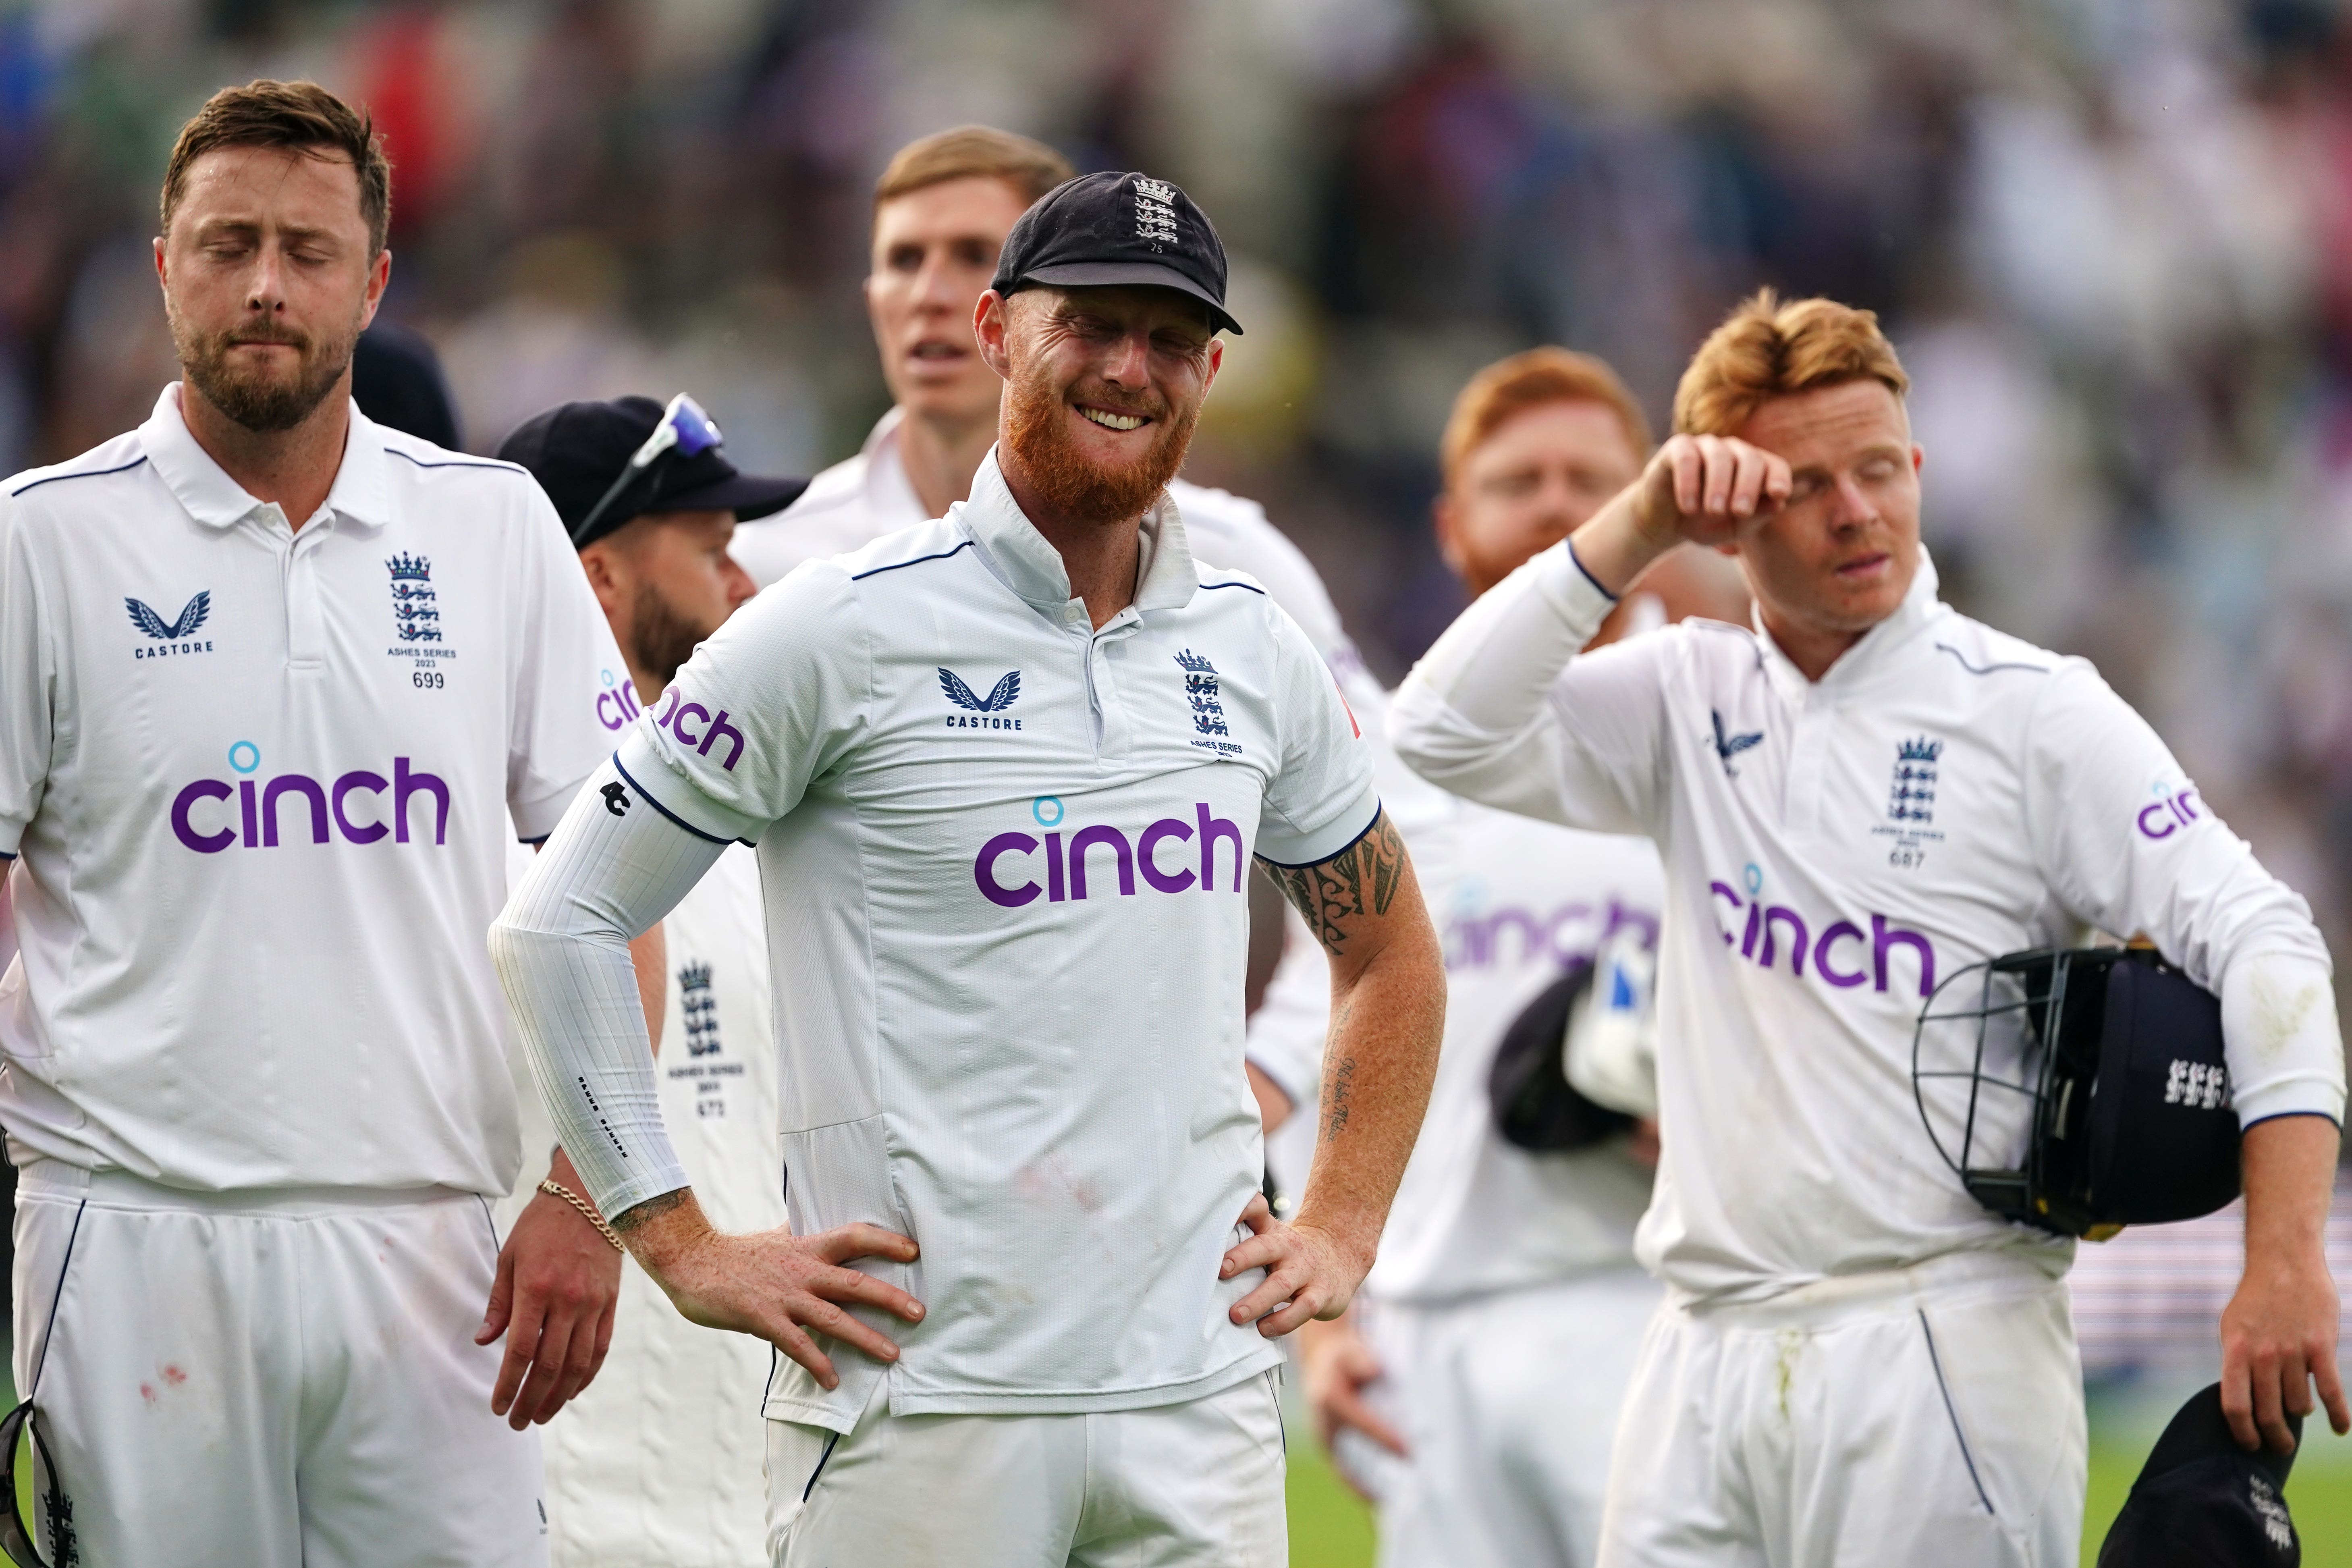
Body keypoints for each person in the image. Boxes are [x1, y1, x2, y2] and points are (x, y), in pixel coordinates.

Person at [493, 171, 1446, 1566]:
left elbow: (1389, 951)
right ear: (999, 330)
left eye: (1169, 338)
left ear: (1211, 370)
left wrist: (1343, 1223)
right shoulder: (831, 627)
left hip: (1197, 1400)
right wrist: (678, 1238)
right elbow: (562, 921)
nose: (1129, 369)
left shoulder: (1253, 645)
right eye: (1093, 324)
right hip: (919, 1411)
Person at [1390, 290, 2347, 1567]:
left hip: (1939, 1336)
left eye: (1879, 469)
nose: (1855, 511)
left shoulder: (2033, 714)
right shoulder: (1682, 697)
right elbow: (1437, 732)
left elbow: (2267, 941)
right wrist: (1635, 526)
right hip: (1697, 1347)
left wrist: (2279, 1256)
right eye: (1803, 485)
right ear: (1729, 516)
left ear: (1917, 468)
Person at [0, 80, 660, 1565]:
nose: (263, 285)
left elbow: (618, 887)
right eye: (226, 244)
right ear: (163, 267)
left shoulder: (494, 527)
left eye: (306, 250)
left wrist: (585, 1191)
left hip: (434, 1243)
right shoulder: (37, 538)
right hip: (133, 1236)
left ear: (371, 282)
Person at [730, 125, 1389, 1136]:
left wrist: (1278, 1069)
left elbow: (1391, 831)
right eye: (904, 259)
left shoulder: (1229, 560)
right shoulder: (770, 567)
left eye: (969, 253)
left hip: (1141, 1183)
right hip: (832, 1177)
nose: (933, 291)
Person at [1295, 348, 1747, 1568]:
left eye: (1587, 479)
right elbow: (1311, 1034)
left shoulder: (1730, 731)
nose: (1555, 504)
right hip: (1425, 1335)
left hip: (1653, 1302)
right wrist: (1321, 1332)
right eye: (1518, 480)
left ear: (1650, 509)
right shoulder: (1380, 763)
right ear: (1452, 525)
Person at [494, 395, 804, 1566]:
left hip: (742, 1467)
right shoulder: (505, 828)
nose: (746, 590)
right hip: (576, 1466)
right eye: (713, 552)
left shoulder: (735, 812)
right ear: (597, 582)